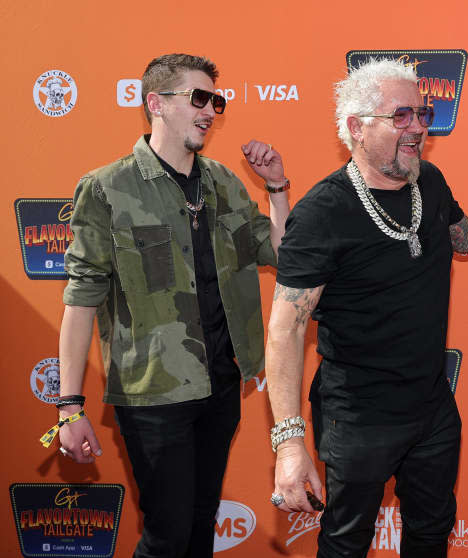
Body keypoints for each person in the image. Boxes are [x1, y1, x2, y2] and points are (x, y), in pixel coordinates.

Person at [263, 57, 468, 558]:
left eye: (423, 114)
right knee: (346, 542)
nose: (419, 128)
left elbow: (466, 236)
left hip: (432, 409)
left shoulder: (428, 182)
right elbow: (283, 331)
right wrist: (288, 443)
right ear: (357, 127)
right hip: (358, 416)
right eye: (402, 116)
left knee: (431, 533)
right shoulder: (323, 211)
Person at [49, 53, 291, 557]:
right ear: (155, 104)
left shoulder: (225, 183)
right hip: (153, 394)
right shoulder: (107, 188)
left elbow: (282, 253)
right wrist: (69, 406)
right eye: (197, 98)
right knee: (167, 536)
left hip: (220, 386)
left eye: (215, 101)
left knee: (201, 529)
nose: (210, 111)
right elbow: (81, 298)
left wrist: (276, 187)